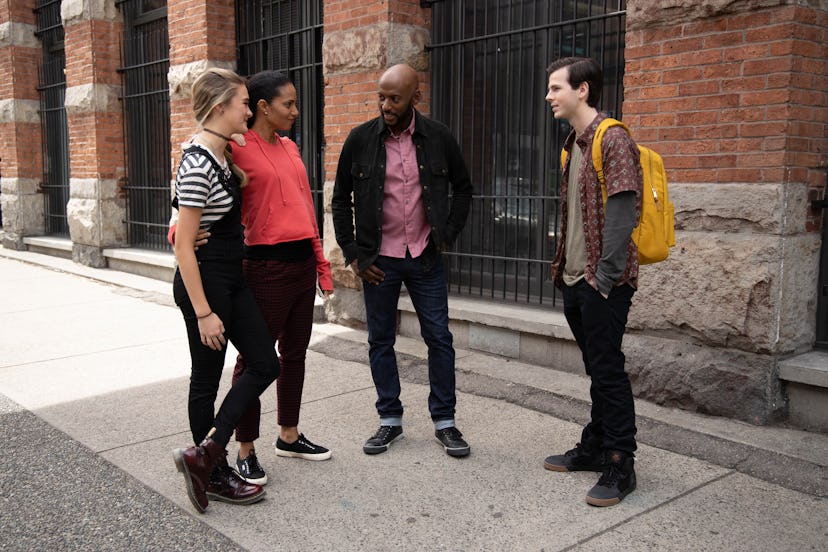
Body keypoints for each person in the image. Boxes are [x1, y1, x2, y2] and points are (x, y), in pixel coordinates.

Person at [331, 64, 474, 458]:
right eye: (381, 96)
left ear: (415, 97)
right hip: (379, 261)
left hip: (425, 255)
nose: (385, 105)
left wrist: (447, 234)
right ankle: (389, 420)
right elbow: (341, 199)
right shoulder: (360, 139)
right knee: (381, 340)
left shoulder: (439, 137)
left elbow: (463, 189)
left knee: (439, 339)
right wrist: (355, 255)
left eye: (394, 98)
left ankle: (445, 422)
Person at [171, 67, 280, 513]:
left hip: (230, 276)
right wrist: (203, 312)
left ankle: (206, 454)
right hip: (206, 283)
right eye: (241, 103)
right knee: (206, 378)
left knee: (264, 362)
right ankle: (212, 473)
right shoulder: (198, 161)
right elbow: (183, 245)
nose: (248, 110)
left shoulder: (220, 153)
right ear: (220, 108)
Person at [542, 57, 642, 507]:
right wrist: (566, 275)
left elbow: (624, 211)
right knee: (598, 371)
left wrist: (603, 277)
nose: (549, 97)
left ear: (582, 90)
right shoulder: (572, 144)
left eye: (556, 88)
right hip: (575, 278)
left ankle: (621, 462)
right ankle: (596, 446)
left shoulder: (612, 138)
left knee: (608, 372)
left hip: (604, 282)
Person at [229, 70, 333, 485]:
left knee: (295, 354)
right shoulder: (237, 149)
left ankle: (288, 435)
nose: (295, 110)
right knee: (255, 360)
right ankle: (245, 448)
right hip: (264, 267)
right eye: (287, 104)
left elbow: (307, 214)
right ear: (262, 108)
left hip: (301, 265)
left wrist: (322, 265)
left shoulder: (290, 147)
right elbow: (201, 201)